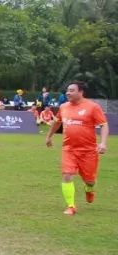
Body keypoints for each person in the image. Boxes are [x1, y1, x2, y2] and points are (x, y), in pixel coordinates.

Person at [45, 81, 109, 216]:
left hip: (88, 151)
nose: (68, 93)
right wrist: (49, 137)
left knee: (90, 181)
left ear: (81, 92)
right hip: (69, 149)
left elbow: (103, 124)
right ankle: (71, 206)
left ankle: (89, 189)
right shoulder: (63, 107)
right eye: (67, 90)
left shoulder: (93, 107)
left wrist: (103, 143)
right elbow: (57, 122)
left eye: (71, 90)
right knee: (67, 175)